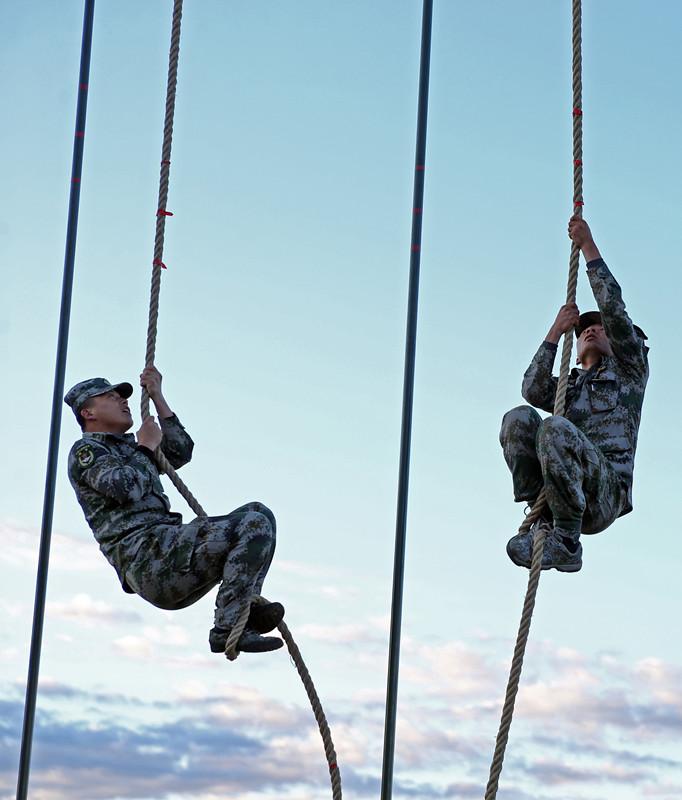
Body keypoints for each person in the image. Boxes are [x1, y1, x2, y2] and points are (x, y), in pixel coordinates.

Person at [64, 366, 284, 655]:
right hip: (149, 560)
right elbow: (126, 488)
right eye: (110, 396)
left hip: (165, 548)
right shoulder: (87, 452)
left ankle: (244, 613)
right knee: (252, 524)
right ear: (88, 413)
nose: (123, 400)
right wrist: (145, 448)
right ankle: (228, 627)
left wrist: (158, 398)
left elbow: (180, 451)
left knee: (260, 513)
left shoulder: (131, 447)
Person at [499, 217, 649, 572]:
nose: (592, 330)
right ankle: (543, 515)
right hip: (565, 485)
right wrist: (555, 331)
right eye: (585, 330)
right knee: (518, 419)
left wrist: (588, 247)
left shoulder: (629, 372)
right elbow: (532, 388)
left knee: (554, 429)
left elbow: (614, 311)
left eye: (599, 329)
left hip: (603, 494)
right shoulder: (570, 386)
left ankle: (566, 541)